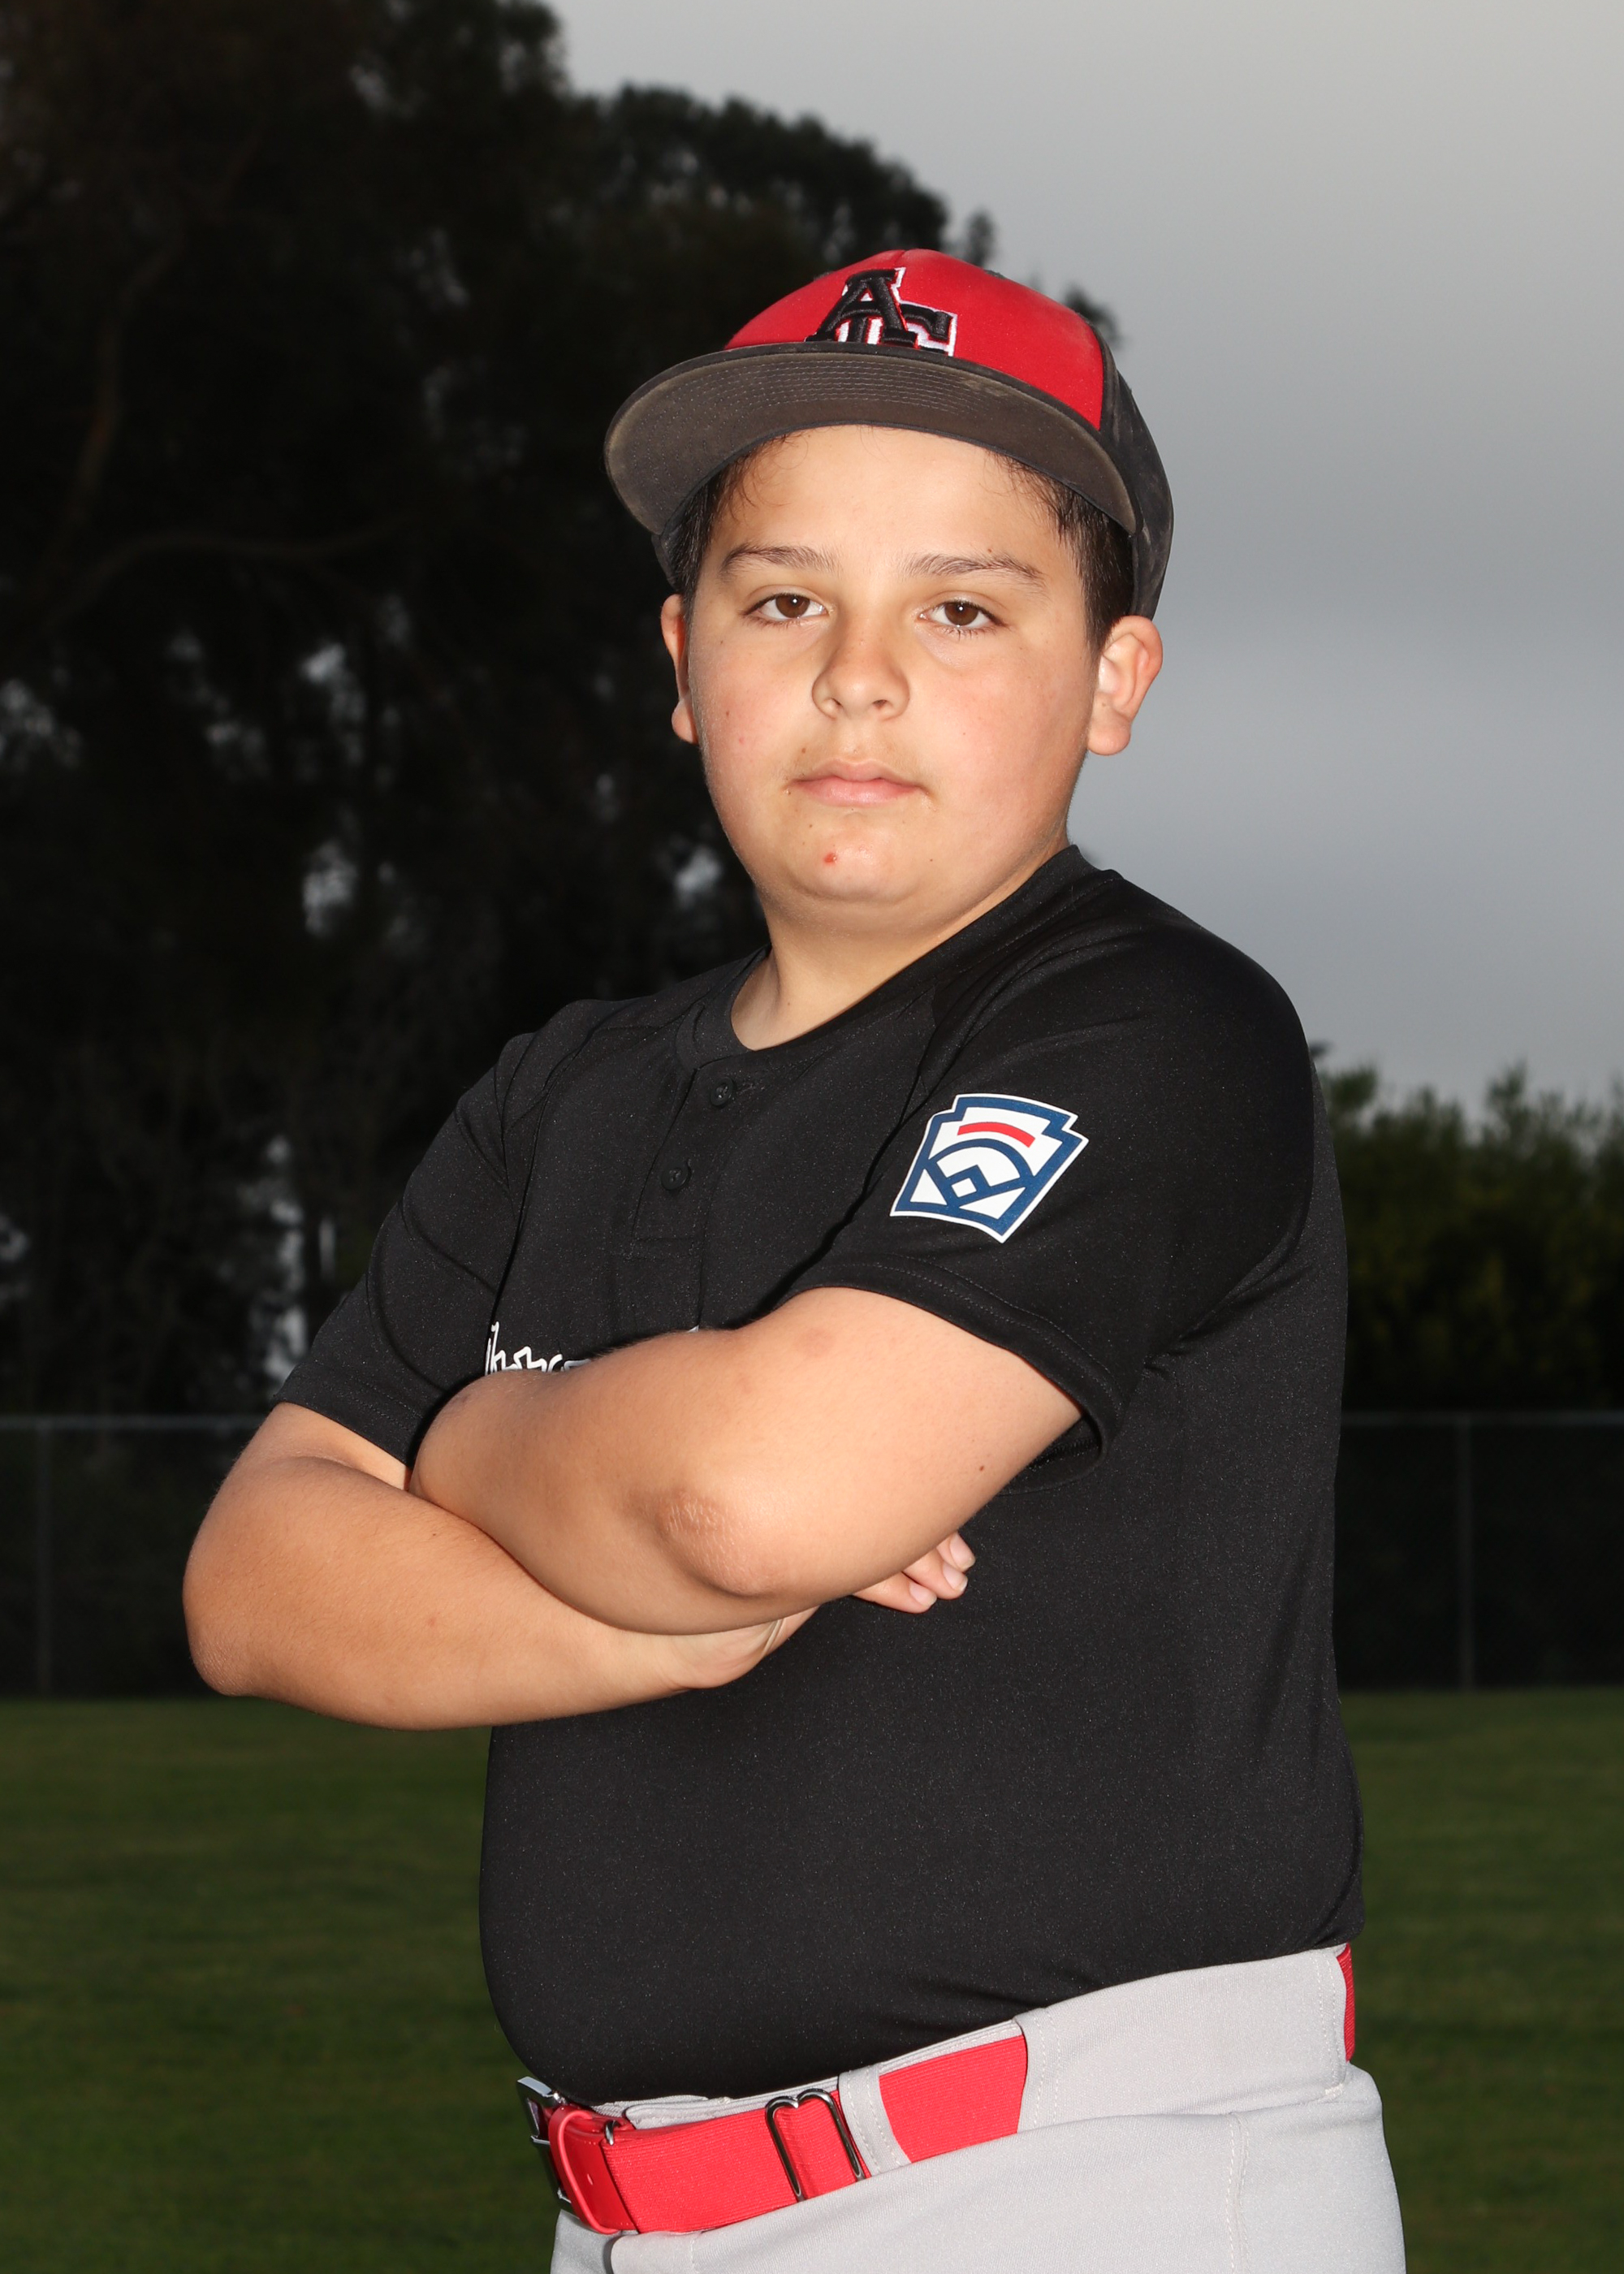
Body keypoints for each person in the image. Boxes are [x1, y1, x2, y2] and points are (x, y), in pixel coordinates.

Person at [184, 249, 1406, 2271]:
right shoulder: (562, 1090)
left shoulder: (1155, 1026)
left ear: (1116, 677)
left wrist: (477, 1440)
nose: (859, 676)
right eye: (783, 601)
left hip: (1074, 2182)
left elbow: (754, 1496)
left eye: (962, 607)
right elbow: (252, 1582)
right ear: (683, 660)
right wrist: (659, 1626)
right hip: (630, 2209)